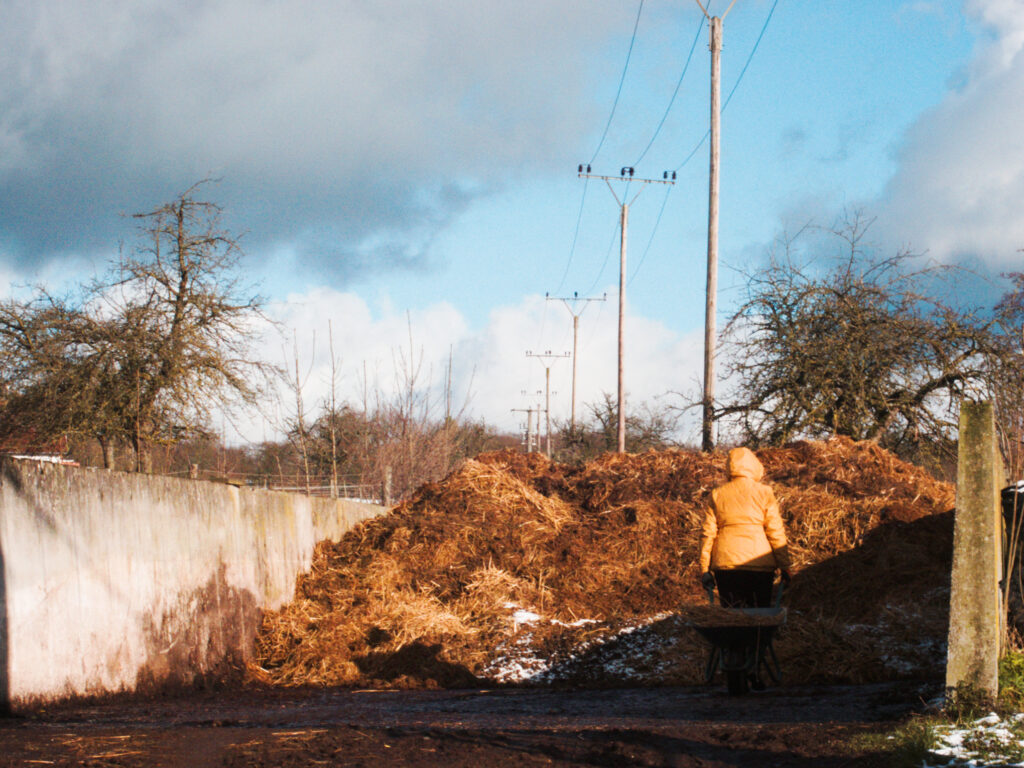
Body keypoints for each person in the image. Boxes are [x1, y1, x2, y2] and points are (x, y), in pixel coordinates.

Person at [699, 446, 791, 609]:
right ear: (755, 467)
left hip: (726, 565)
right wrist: (785, 566)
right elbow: (775, 531)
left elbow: (708, 534)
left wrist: (705, 569)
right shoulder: (764, 492)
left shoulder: (717, 494)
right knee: (760, 616)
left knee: (732, 618)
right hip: (760, 564)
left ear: (729, 467)